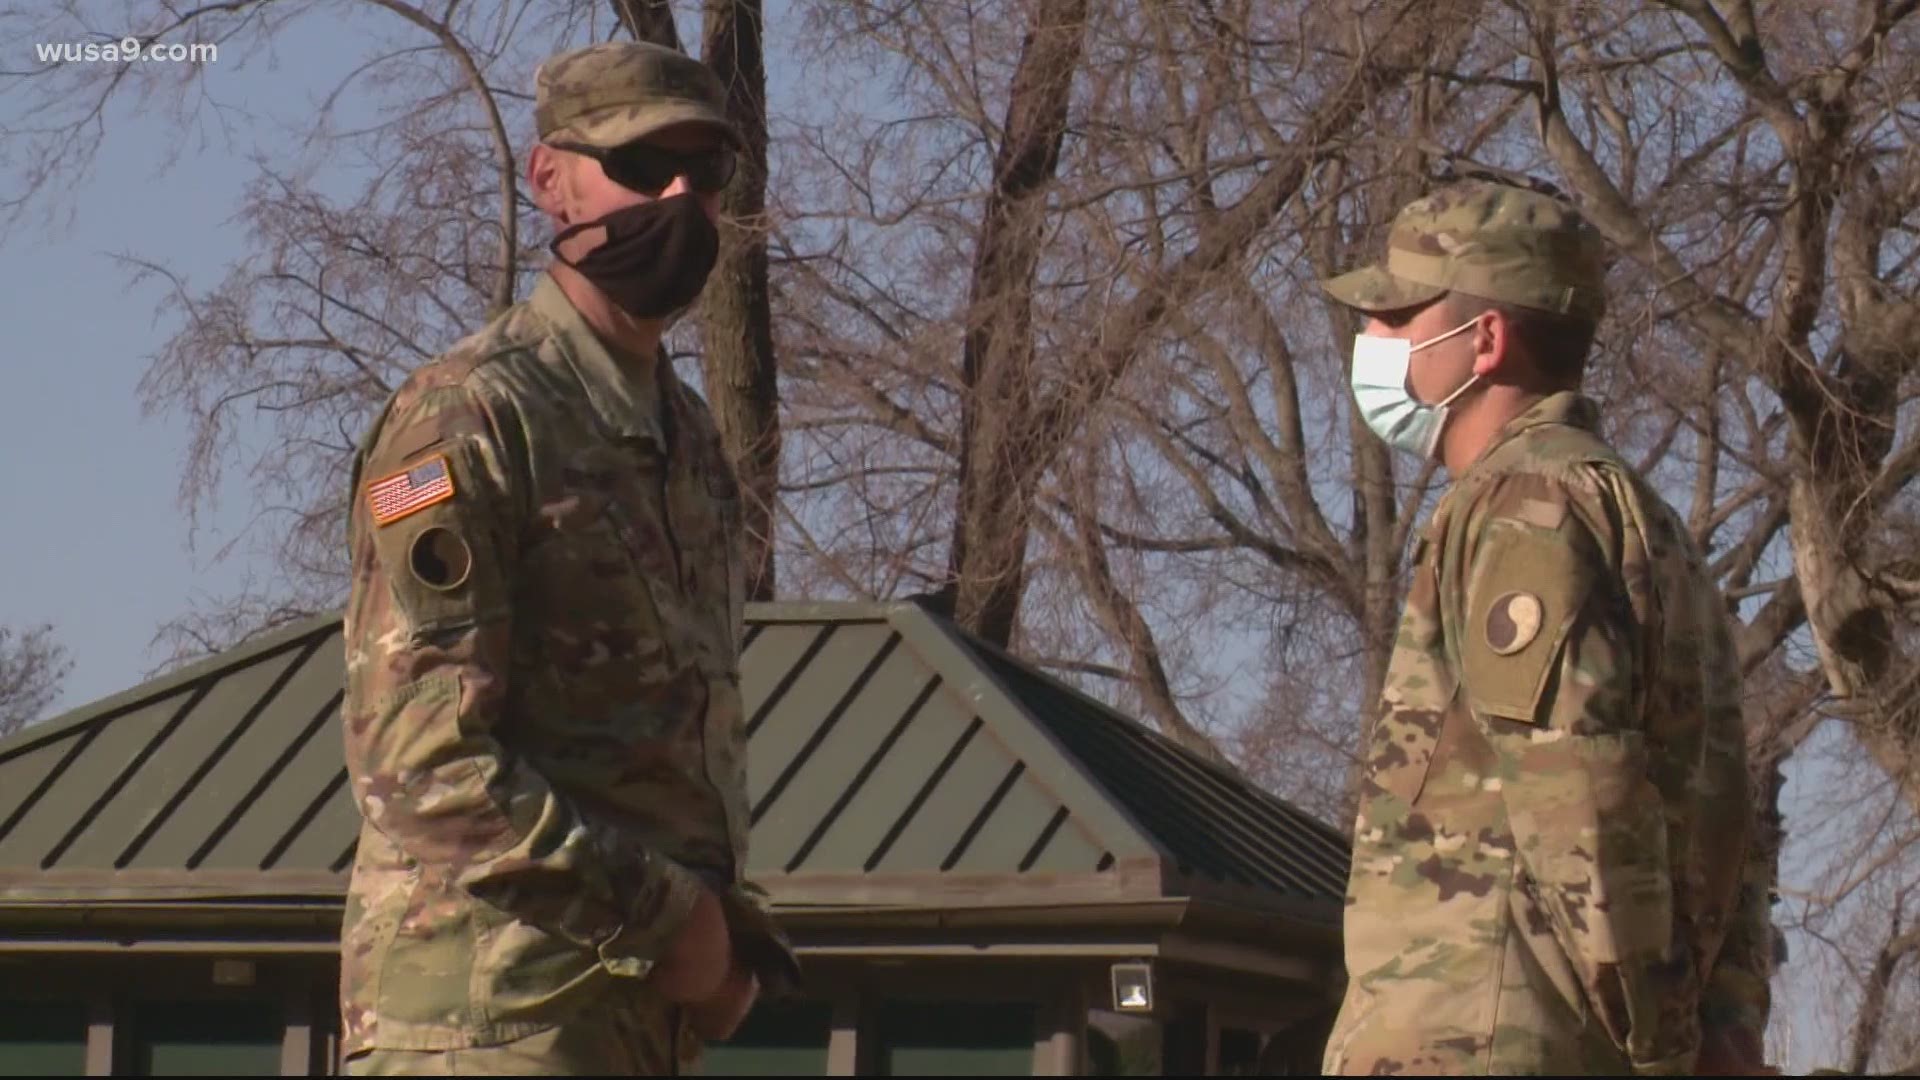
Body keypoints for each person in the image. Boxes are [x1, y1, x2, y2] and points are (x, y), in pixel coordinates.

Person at [337, 39, 798, 1076]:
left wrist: (724, 943)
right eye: (641, 166)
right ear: (549, 180)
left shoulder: (688, 441)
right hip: (489, 1023)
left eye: (705, 171)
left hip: (627, 1028)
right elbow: (421, 763)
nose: (678, 195)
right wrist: (675, 923)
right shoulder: (470, 418)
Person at [1317, 180, 1774, 1075]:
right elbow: (1724, 817)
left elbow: (1581, 796)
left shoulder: (1527, 506)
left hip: (1488, 1043)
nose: (1372, 340)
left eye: (1398, 316)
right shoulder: (1649, 523)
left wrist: (1664, 1047)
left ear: (1483, 340)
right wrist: (1723, 1022)